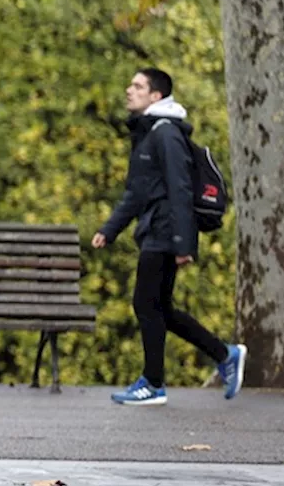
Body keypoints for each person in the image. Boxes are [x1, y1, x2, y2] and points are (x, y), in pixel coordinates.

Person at [92, 68, 246, 406]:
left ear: (156, 96)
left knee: (146, 304)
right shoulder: (148, 135)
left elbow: (180, 188)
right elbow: (135, 193)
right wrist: (109, 229)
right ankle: (225, 354)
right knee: (160, 307)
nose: (128, 90)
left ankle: (153, 383)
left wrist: (183, 243)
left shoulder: (166, 134)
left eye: (137, 86)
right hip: (156, 228)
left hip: (165, 231)